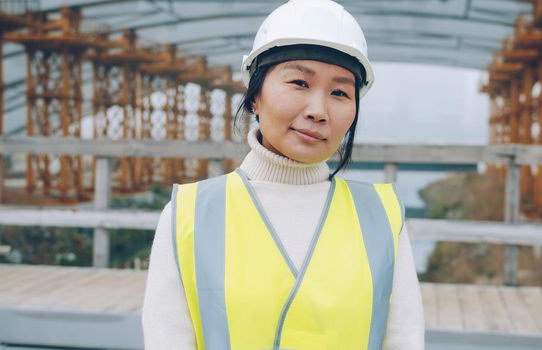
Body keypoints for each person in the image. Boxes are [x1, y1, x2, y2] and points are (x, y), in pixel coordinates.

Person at [142, 0, 424, 349]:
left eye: (339, 92)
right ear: (255, 95)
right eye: (299, 83)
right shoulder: (188, 215)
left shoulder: (383, 217)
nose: (318, 111)